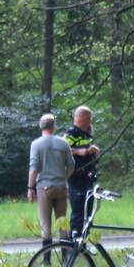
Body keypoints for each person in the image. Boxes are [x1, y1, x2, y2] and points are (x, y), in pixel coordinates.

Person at [28, 113, 75, 256]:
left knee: (45, 225)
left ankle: (46, 260)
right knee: (62, 223)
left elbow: (34, 168)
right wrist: (63, 177)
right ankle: (66, 258)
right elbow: (72, 165)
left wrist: (30, 188)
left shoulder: (36, 144)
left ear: (40, 126)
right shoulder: (63, 143)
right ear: (54, 126)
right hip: (61, 187)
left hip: (44, 188)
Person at [65, 106, 100, 236]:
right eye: (88, 117)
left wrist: (94, 151)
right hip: (77, 177)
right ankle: (74, 241)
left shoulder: (86, 134)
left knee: (88, 211)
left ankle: (83, 241)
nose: (90, 120)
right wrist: (82, 151)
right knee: (79, 210)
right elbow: (65, 149)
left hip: (88, 177)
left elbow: (88, 149)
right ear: (80, 117)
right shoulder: (71, 133)